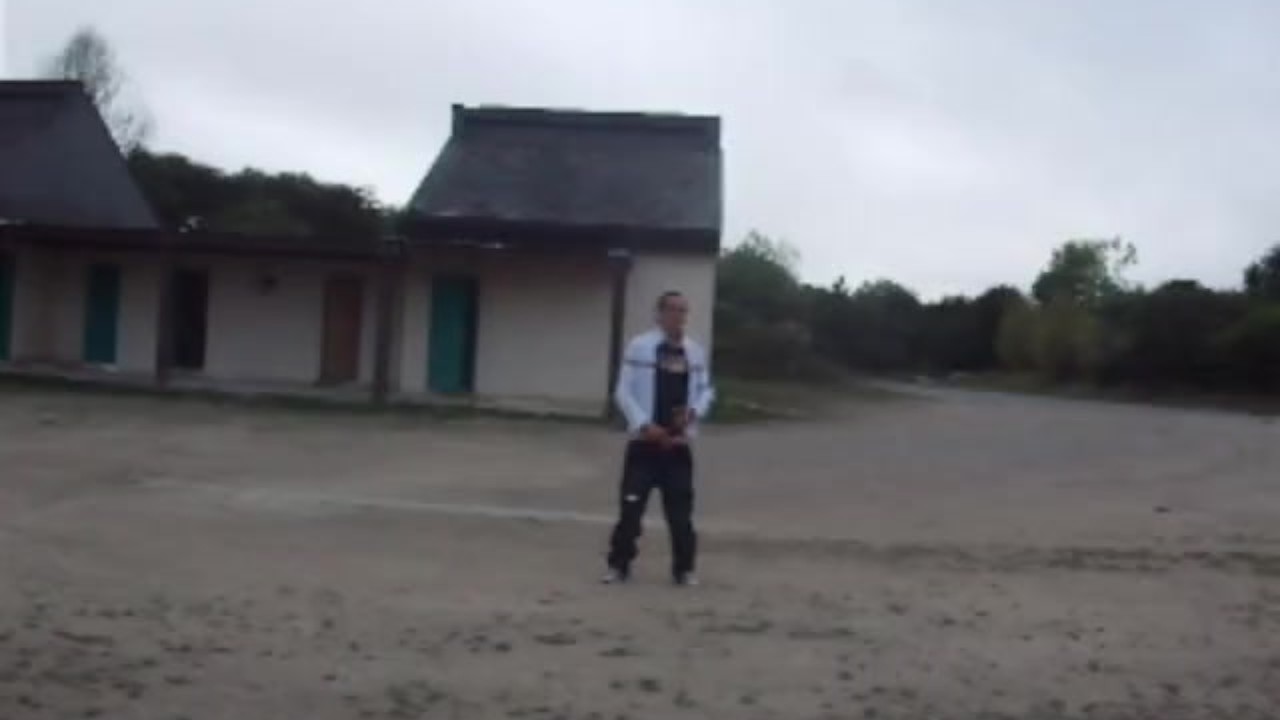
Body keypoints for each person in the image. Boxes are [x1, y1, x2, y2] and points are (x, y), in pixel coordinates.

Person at [603, 290, 715, 587]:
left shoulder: (694, 352)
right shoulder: (640, 347)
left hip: (678, 446)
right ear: (660, 314)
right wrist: (643, 425)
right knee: (631, 508)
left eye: (683, 310)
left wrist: (694, 412)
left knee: (680, 514)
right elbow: (623, 391)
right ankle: (619, 565)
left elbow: (706, 390)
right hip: (644, 444)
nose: (678, 316)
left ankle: (684, 569)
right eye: (673, 310)